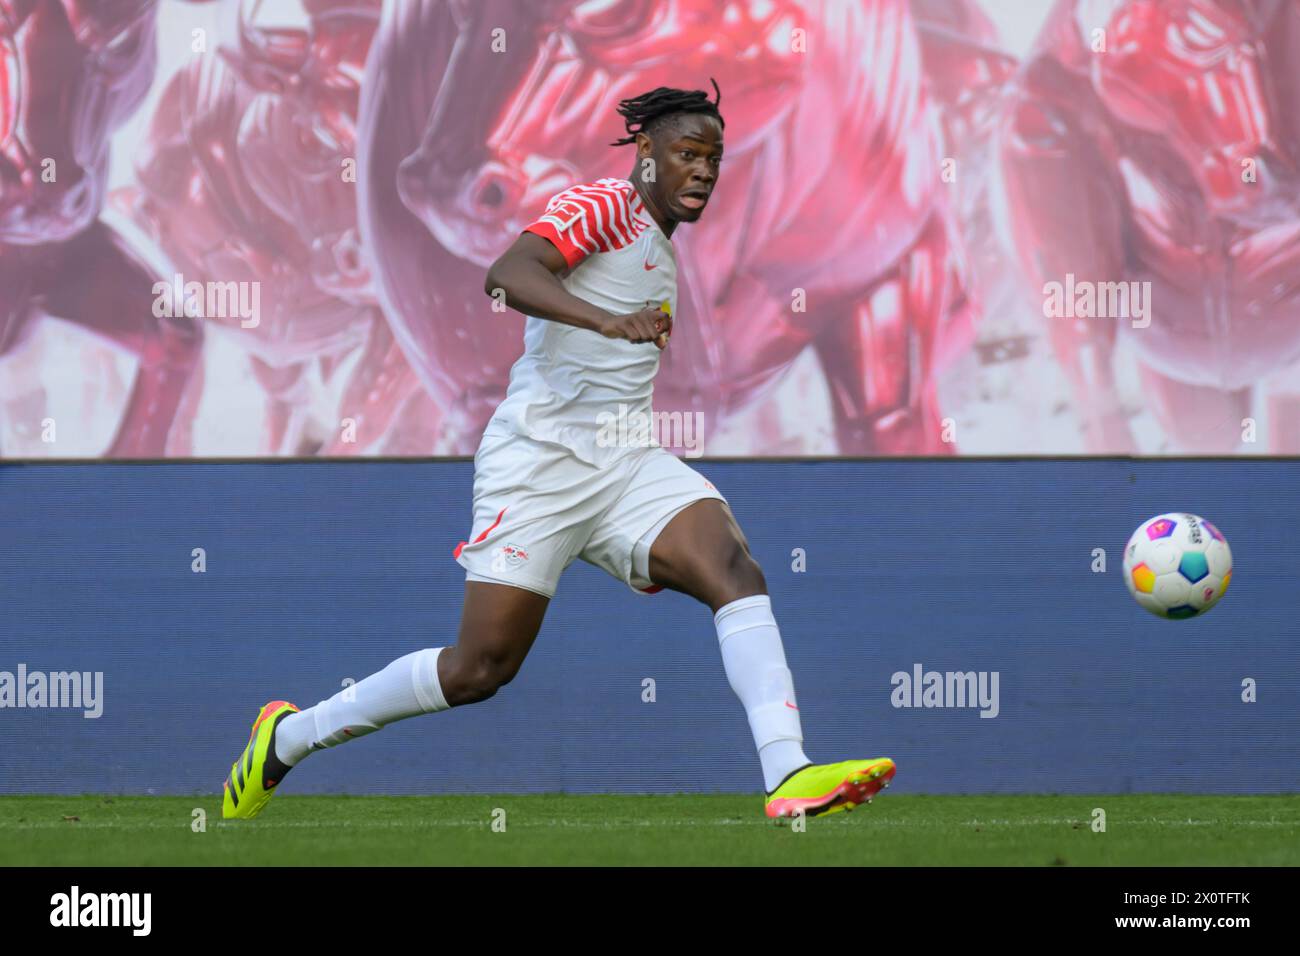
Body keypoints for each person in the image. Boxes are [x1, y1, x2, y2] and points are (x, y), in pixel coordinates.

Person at [222, 81, 895, 821]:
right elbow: (507, 275)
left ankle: (787, 774)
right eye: (686, 153)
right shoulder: (606, 203)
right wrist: (606, 321)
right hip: (537, 464)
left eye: (714, 157)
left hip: (624, 462)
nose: (703, 170)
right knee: (479, 669)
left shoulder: (663, 247)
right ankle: (286, 740)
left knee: (734, 569)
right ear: (645, 152)